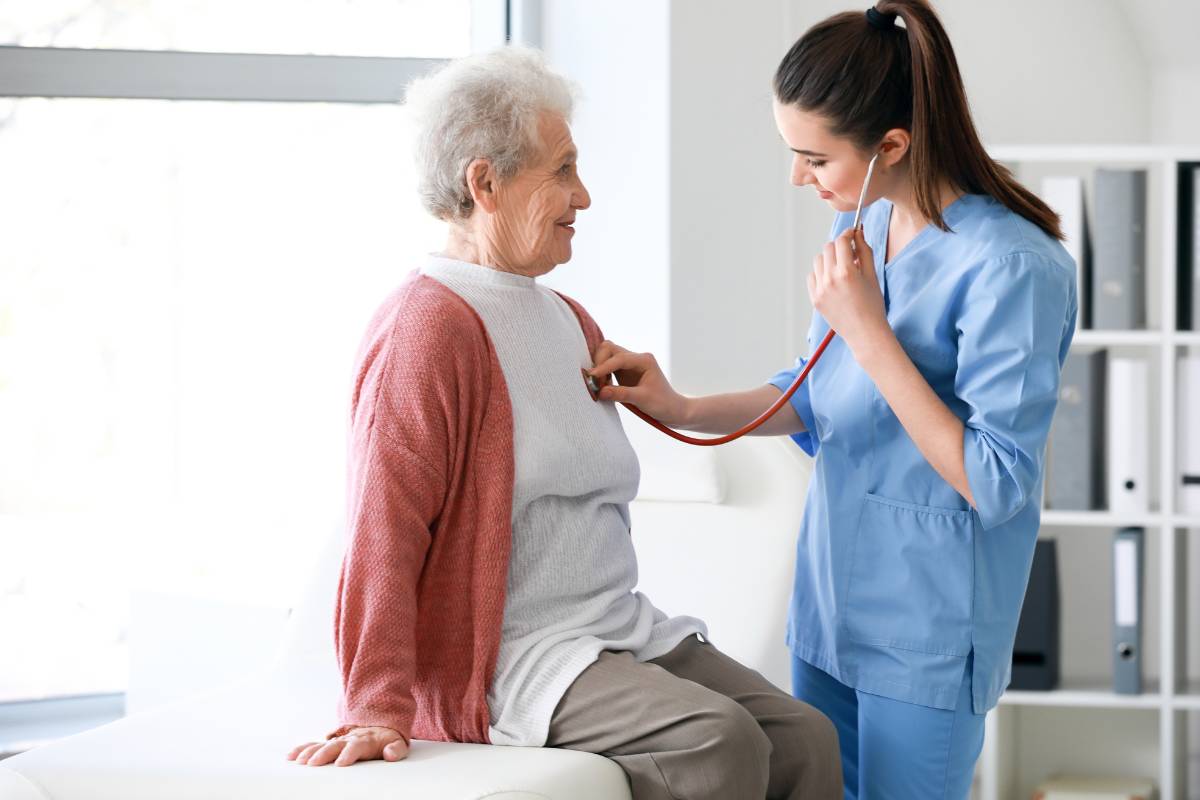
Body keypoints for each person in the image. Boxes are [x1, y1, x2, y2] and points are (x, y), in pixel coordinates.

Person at [285, 46, 842, 799]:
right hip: (511, 656)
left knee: (804, 737)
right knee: (718, 742)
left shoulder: (563, 316)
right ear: (485, 182)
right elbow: (383, 523)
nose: (583, 197)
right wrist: (375, 703)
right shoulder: (427, 327)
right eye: (562, 170)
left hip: (611, 631)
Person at [588, 2, 1078, 798]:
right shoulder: (867, 232)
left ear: (892, 144)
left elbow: (996, 479)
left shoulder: (1014, 268)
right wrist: (677, 406)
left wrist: (869, 330)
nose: (797, 178)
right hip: (831, 609)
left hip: (926, 630)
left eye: (814, 159)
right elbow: (812, 392)